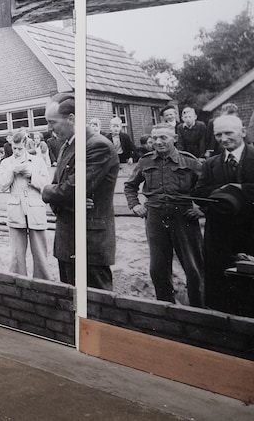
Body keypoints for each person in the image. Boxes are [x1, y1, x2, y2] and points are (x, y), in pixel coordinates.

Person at [41, 92, 120, 289]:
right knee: (71, 303)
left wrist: (47, 191)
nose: (49, 129)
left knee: (97, 308)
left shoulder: (97, 146)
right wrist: (63, 197)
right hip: (66, 241)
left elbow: (68, 190)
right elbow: (62, 190)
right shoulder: (66, 146)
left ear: (71, 119)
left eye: (53, 122)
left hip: (89, 243)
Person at [123, 123, 204, 306]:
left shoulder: (189, 161)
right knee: (158, 268)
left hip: (184, 218)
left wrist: (202, 209)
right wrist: (135, 205)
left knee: (193, 266)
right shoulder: (145, 161)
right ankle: (166, 307)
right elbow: (130, 186)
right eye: (154, 138)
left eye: (163, 138)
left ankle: (199, 308)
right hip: (155, 218)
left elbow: (207, 186)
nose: (158, 142)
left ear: (174, 138)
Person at [191, 114, 254, 315]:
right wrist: (228, 191)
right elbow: (199, 193)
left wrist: (238, 190)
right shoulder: (210, 164)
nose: (223, 139)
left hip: (251, 233)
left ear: (243, 132)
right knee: (222, 289)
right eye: (218, 134)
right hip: (220, 235)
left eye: (229, 133)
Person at [0, 130, 52, 279]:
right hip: (16, 212)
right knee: (17, 255)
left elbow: (47, 186)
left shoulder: (38, 161)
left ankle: (43, 285)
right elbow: (1, 186)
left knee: (40, 253)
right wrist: (12, 172)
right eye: (14, 148)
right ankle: (18, 285)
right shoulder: (6, 163)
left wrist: (32, 176)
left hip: (35, 211)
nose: (16, 152)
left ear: (26, 145)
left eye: (19, 148)